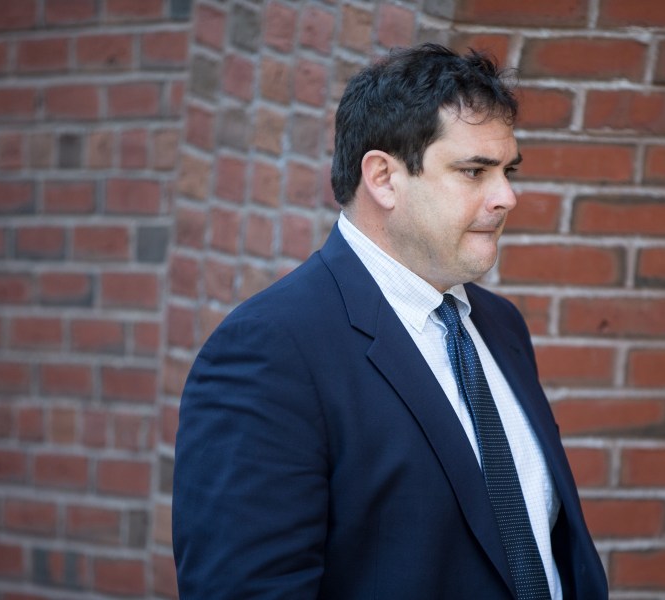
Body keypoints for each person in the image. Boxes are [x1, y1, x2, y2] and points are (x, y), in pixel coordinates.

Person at [172, 43, 607, 599]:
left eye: (507, 170)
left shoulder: (499, 326)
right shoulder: (271, 351)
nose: (507, 196)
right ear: (382, 177)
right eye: (474, 171)